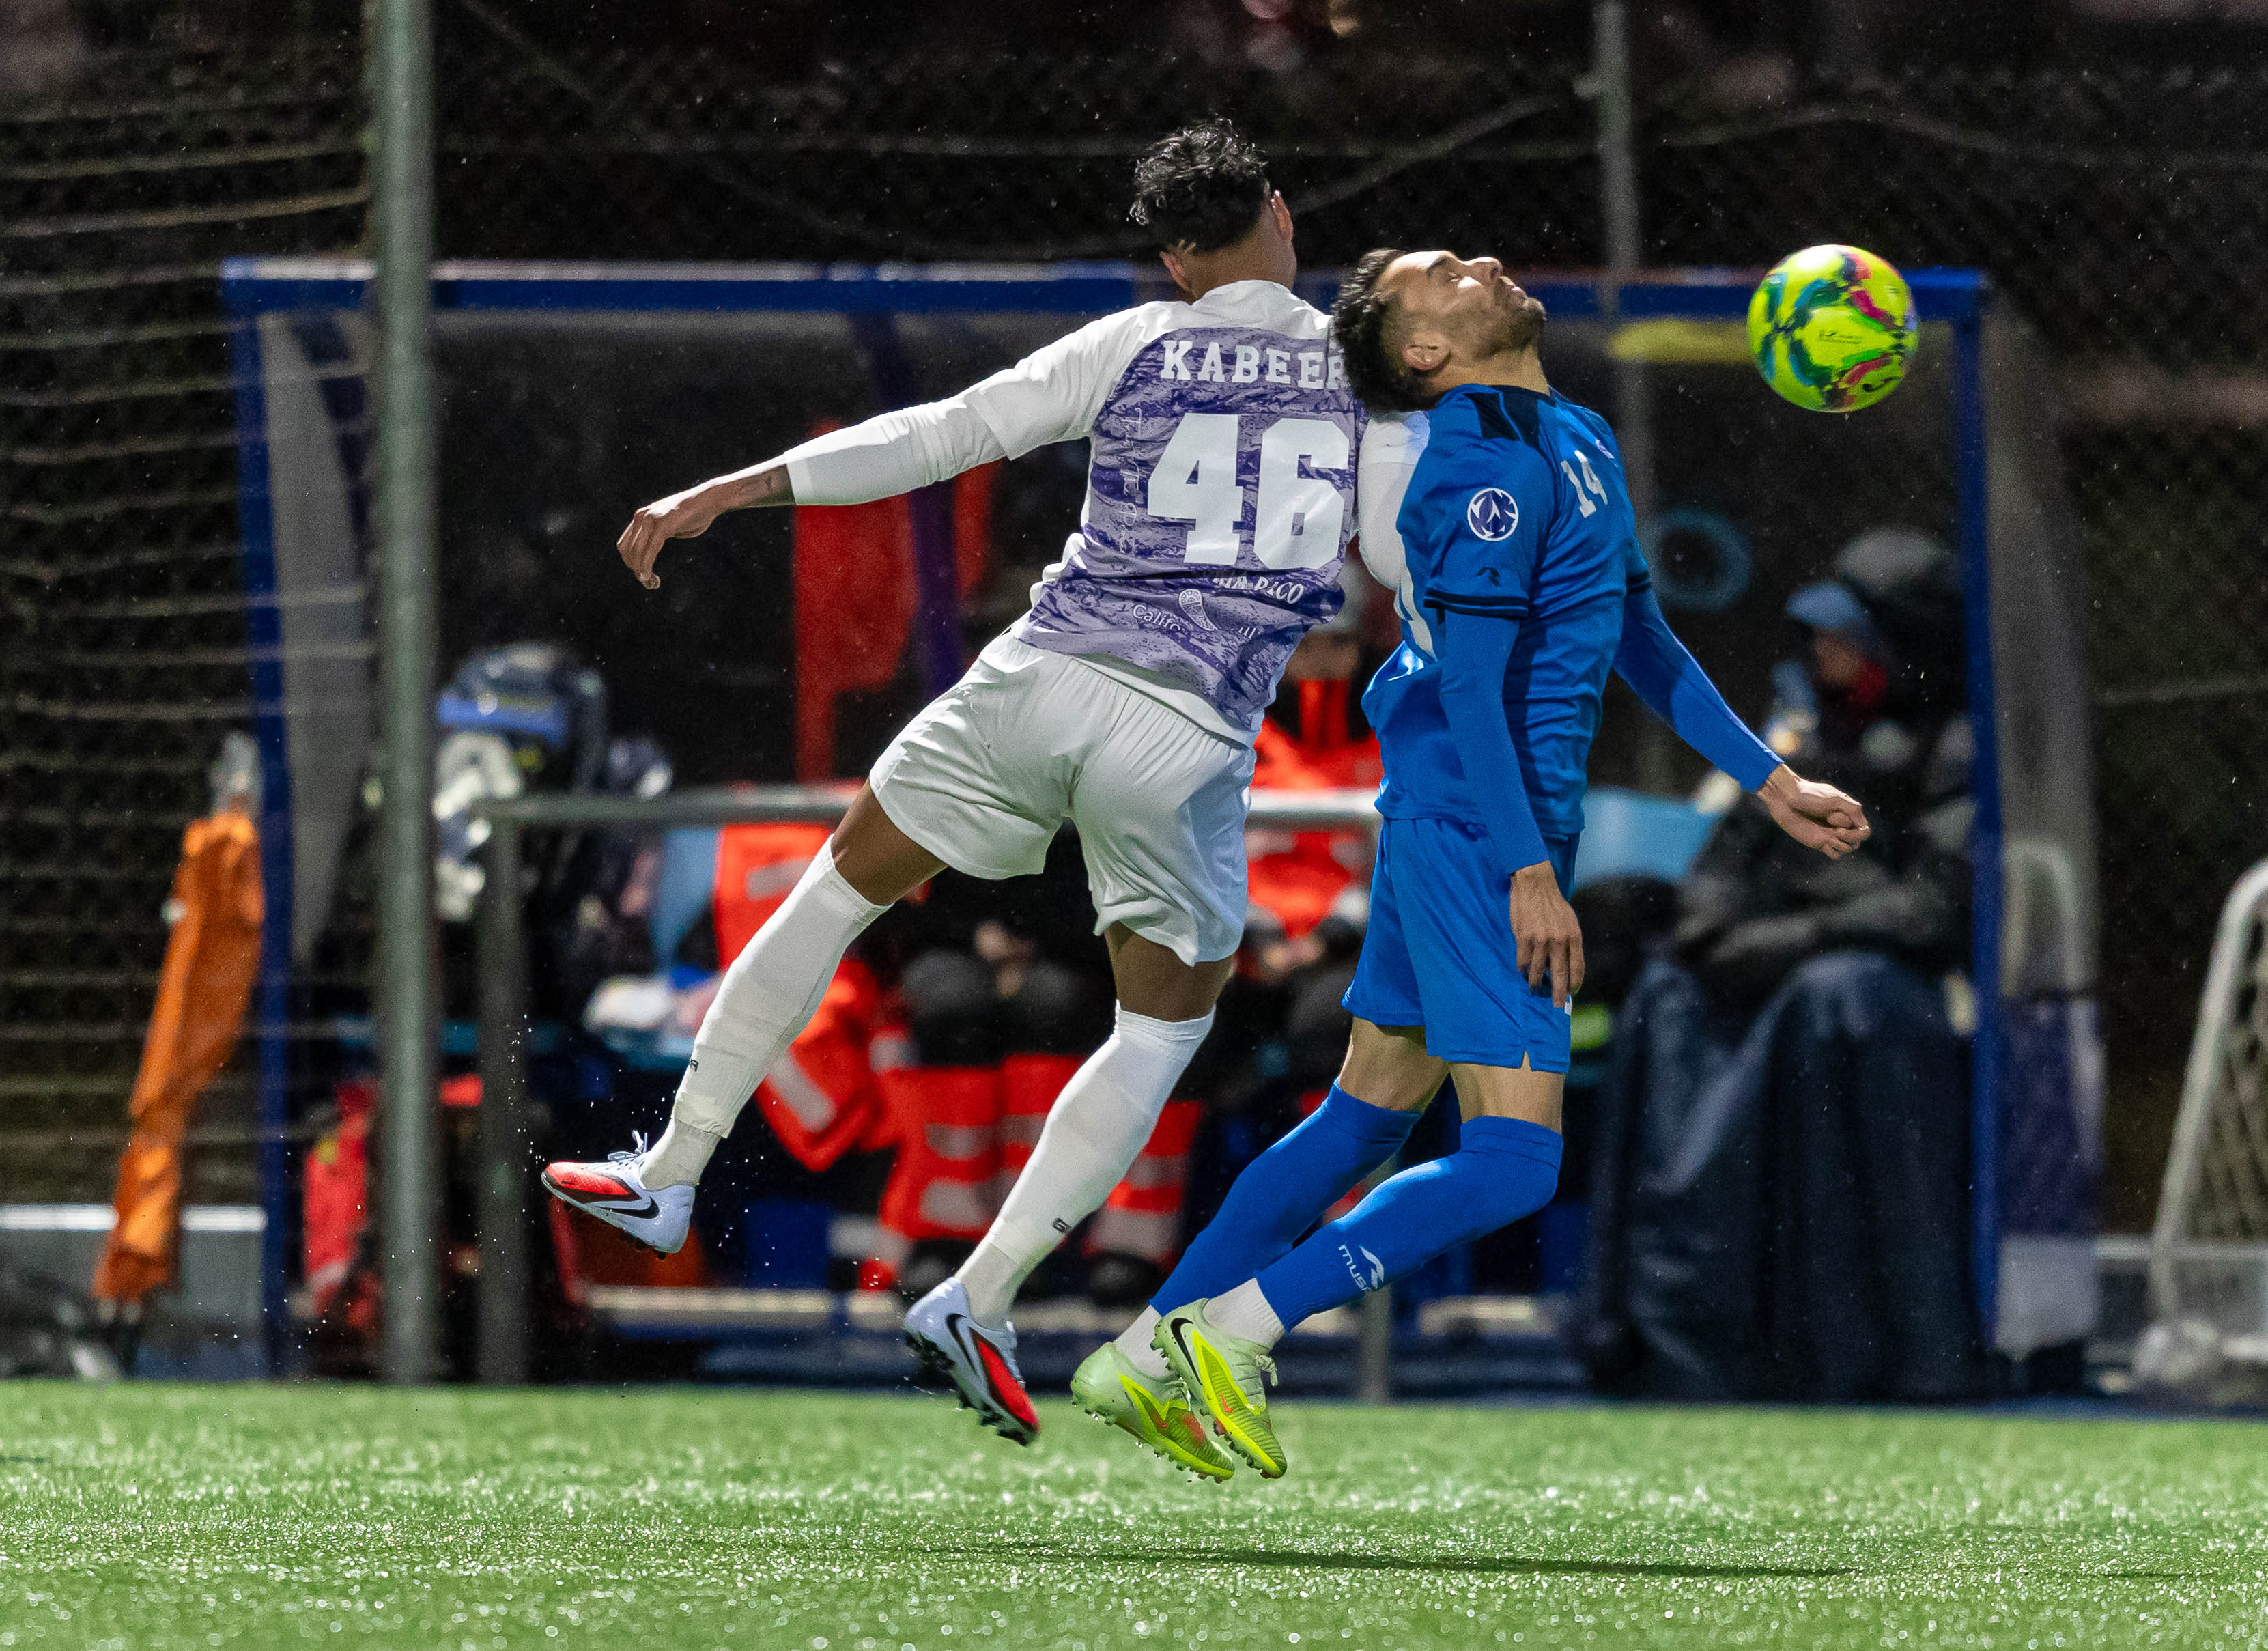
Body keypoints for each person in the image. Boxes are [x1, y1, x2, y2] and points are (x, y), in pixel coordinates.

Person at [539, 122, 1363, 1451]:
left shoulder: (1139, 340)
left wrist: (732, 492)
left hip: (1043, 676)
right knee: (1159, 1034)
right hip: (1190, 735)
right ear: (1280, 212)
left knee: (831, 893)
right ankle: (980, 1294)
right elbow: (1408, 544)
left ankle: (671, 1169)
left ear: (1173, 256)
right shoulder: (1352, 374)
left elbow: (949, 433)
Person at [1073, 246, 1869, 1482]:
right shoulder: (1478, 463)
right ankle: (1232, 1331)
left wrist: (1773, 781)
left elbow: (1640, 638)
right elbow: (1476, 687)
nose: (1472, 260)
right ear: (1425, 352)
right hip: (1475, 826)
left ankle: (1138, 1349)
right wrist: (1525, 870)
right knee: (1512, 1160)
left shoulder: (1577, 433)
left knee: (1360, 1119)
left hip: (1472, 826)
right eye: (1432, 275)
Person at [1583, 526, 1986, 1403]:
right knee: (1668, 990)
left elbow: (1934, 910)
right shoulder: (1798, 734)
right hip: (1774, 966)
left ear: (1899, 644)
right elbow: (1716, 877)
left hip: (1879, 983)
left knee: (1837, 995)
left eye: (1847, 634)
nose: (1822, 649)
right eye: (1818, 633)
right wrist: (1723, 937)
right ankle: (1678, 1343)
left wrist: (1788, 942)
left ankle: (1848, 1348)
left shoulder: (1955, 745)